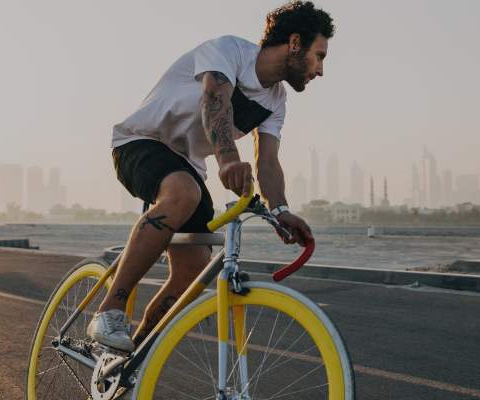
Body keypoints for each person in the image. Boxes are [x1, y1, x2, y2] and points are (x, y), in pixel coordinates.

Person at [88, 1, 335, 352]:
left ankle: (129, 360)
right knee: (184, 193)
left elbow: (267, 162)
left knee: (194, 273)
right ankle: (109, 312)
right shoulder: (230, 50)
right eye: (319, 55)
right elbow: (214, 100)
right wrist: (228, 159)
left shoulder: (276, 100)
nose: (320, 70)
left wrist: (280, 212)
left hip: (187, 166)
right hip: (139, 142)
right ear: (295, 43)